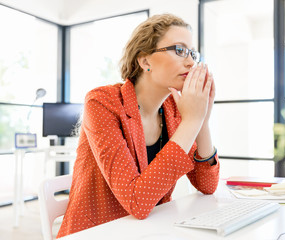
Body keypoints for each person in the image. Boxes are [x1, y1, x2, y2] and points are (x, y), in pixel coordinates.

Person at [57, 13, 220, 238]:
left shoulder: (175, 109)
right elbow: (138, 203)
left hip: (148, 231)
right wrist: (192, 120)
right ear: (144, 61)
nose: (191, 62)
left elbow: (208, 184)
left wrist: (202, 119)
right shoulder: (102, 102)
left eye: (192, 53)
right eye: (180, 50)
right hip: (98, 233)